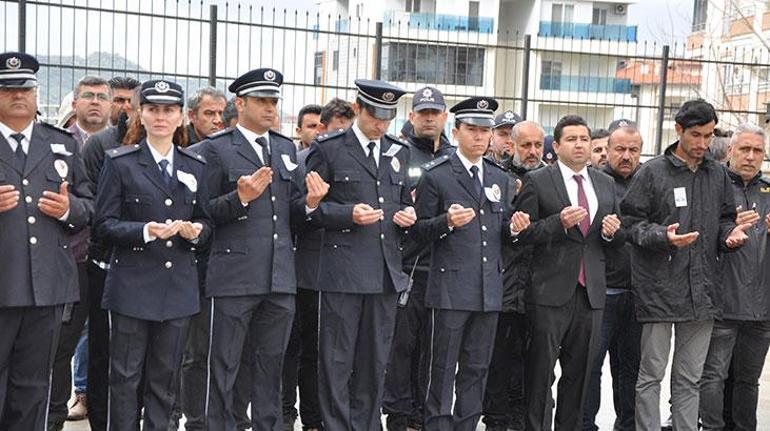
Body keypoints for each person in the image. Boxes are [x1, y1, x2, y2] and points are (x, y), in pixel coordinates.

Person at [195, 68, 317, 430]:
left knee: (270, 367)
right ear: (241, 103)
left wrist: (309, 203)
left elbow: (290, 211)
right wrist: (240, 198)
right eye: (262, 101)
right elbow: (203, 213)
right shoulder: (213, 150)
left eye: (274, 101)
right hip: (233, 277)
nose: (269, 108)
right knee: (223, 367)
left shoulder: (283, 147)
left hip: (279, 277)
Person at [620, 99, 749, 431]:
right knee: (651, 375)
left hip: (703, 293)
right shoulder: (651, 172)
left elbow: (723, 220)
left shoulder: (718, 174)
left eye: (708, 136)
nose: (703, 144)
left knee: (690, 378)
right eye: (696, 135)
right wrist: (663, 236)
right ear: (678, 130)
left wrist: (730, 235)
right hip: (659, 291)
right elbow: (630, 224)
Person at [94, 79, 211, 430]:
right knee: (125, 378)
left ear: (180, 118)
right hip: (132, 285)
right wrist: (145, 231)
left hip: (177, 288)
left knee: (165, 379)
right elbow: (103, 225)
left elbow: (206, 221)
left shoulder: (195, 165)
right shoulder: (120, 163)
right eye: (153, 109)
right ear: (139, 115)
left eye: (169, 110)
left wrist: (197, 232)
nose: (161, 117)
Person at [410, 96, 527, 430]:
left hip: (489, 289)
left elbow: (500, 231)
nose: (480, 137)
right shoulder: (438, 175)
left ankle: (466, 424)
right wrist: (446, 221)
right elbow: (417, 231)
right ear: (456, 131)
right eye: (472, 129)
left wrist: (515, 230)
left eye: (485, 130)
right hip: (449, 290)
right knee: (441, 370)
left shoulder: (499, 178)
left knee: (477, 369)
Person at [305, 79, 414, 430]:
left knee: (374, 358)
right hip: (342, 271)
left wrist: (407, 216)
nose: (381, 124)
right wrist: (346, 214)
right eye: (375, 116)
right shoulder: (330, 149)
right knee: (336, 359)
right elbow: (306, 209)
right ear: (357, 109)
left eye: (388, 117)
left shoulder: (398, 151)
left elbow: (402, 202)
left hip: (384, 272)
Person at [0, 51, 93, 431]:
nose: (17, 95)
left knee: (34, 384)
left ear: (37, 94)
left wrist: (70, 210)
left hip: (47, 288)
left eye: (24, 88)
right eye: (7, 89)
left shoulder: (63, 145)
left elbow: (90, 207)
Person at [514, 114, 625, 431]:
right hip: (549, 292)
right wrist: (556, 224)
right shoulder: (538, 181)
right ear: (557, 145)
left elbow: (615, 238)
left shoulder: (605, 184)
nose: (580, 145)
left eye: (585, 139)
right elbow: (519, 235)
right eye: (572, 139)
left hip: (590, 293)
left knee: (580, 375)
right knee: (539, 374)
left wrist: (611, 232)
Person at [382, 85, 454, 431]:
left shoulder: (456, 158)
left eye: (435, 112)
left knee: (435, 351)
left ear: (444, 117)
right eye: (422, 112)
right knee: (402, 349)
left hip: (445, 266)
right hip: (408, 265)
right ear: (411, 117)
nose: (429, 118)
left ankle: (425, 415)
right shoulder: (397, 154)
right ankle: (398, 415)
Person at [281, 97, 355, 431]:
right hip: (304, 270)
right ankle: (288, 412)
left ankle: (316, 418)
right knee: (297, 349)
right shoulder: (300, 164)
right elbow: (294, 214)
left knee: (327, 352)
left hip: (339, 271)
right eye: (337, 132)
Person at [48, 75, 112, 430]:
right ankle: (54, 415)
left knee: (103, 346)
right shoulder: (58, 144)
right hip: (69, 259)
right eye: (88, 96)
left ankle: (98, 412)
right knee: (60, 347)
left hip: (107, 262)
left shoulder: (121, 144)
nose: (96, 102)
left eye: (102, 97)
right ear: (74, 103)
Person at [699, 124, 770, 431]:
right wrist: (724, 227)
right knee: (713, 376)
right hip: (721, 305)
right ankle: (711, 426)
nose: (751, 157)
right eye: (745, 149)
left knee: (748, 380)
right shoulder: (712, 187)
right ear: (730, 151)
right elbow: (694, 236)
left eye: (758, 151)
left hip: (762, 307)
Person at [81, 79, 141, 431]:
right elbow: (91, 205)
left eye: (129, 102)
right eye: (116, 101)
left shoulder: (157, 144)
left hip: (149, 265)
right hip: (106, 262)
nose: (123, 108)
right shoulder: (100, 146)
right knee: (104, 352)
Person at [482, 118, 546, 431]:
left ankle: (524, 419)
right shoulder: (499, 178)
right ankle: (495, 419)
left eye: (537, 145)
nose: (532, 151)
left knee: (534, 361)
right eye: (525, 145)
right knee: (499, 358)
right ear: (512, 146)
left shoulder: (553, 178)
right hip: (504, 281)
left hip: (541, 286)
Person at [582, 119, 643, 431]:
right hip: (601, 293)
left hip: (640, 296)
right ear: (606, 150)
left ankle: (628, 425)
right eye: (620, 149)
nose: (626, 156)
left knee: (631, 370)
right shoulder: (592, 183)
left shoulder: (649, 182)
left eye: (633, 150)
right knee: (590, 367)